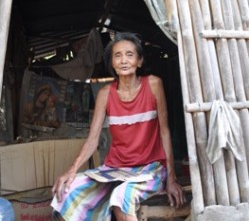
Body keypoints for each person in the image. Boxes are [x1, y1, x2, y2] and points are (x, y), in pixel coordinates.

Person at [51, 32, 186, 221]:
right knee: (67, 190)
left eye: (129, 55)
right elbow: (92, 140)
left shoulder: (154, 84)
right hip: (115, 169)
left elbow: (165, 132)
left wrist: (171, 179)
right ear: (112, 64)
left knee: (121, 197)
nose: (123, 60)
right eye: (118, 55)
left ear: (139, 61)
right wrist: (71, 171)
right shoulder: (105, 94)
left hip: (150, 168)